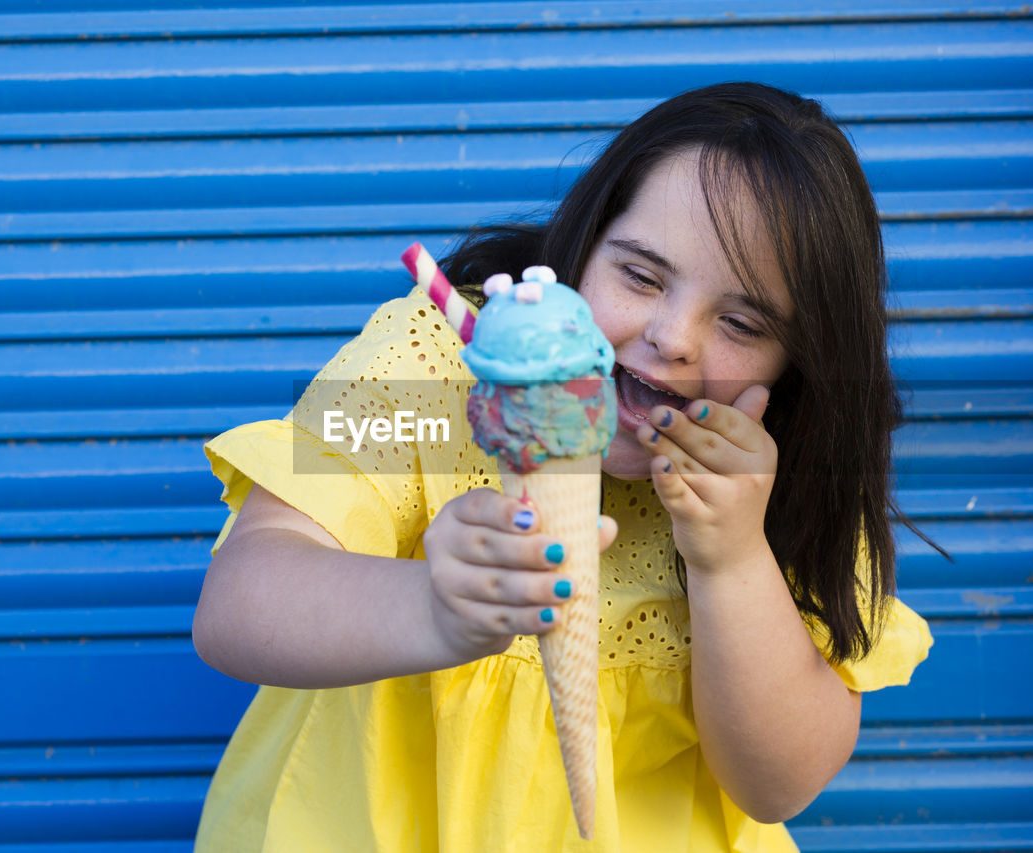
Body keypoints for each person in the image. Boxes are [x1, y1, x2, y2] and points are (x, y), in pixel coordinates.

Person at [191, 81, 933, 851]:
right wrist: (431, 607)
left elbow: (778, 782)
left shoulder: (774, 481)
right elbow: (238, 602)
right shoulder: (432, 360)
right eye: (641, 276)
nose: (673, 336)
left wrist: (734, 557)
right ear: (583, 243)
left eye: (741, 322)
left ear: (793, 369)